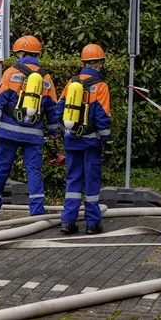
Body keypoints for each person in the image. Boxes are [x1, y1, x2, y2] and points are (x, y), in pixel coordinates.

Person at [0, 35, 59, 221]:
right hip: (33, 133)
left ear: (21, 53)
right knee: (34, 171)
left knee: (1, 169)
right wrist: (53, 133)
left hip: (9, 131)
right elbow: (52, 109)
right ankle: (37, 211)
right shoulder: (46, 78)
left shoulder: (11, 73)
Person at [56, 44, 112, 235]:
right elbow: (102, 117)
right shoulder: (101, 86)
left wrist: (64, 130)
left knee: (73, 180)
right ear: (100, 64)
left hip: (71, 140)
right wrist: (107, 141)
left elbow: (59, 109)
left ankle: (67, 222)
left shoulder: (71, 83)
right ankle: (92, 224)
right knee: (91, 182)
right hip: (91, 143)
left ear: (83, 63)